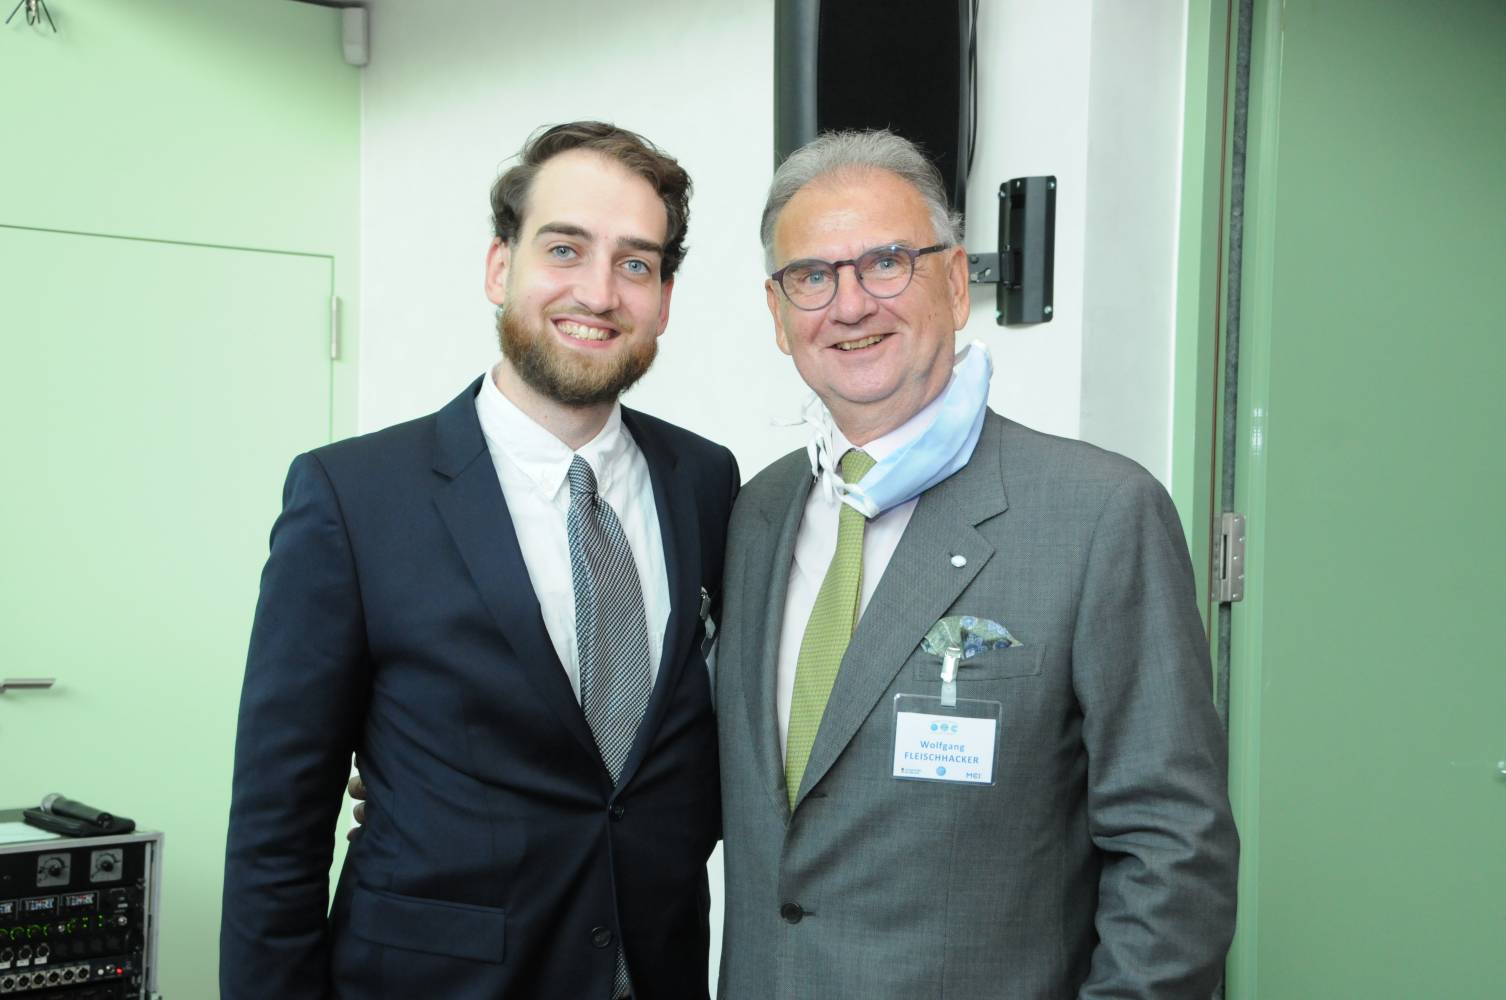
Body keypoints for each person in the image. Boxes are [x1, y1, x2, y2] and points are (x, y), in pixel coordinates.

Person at [714, 130, 1238, 999]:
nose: (849, 306)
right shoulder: (756, 514)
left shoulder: (1099, 513)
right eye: (812, 276)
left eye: (886, 263)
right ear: (779, 315)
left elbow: (1174, 850)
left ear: (955, 283)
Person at [221, 121, 737, 1000]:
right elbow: (280, 822)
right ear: (500, 268)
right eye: (565, 248)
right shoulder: (352, 498)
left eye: (636, 263)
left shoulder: (707, 482)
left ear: (665, 297)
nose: (600, 292)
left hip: (658, 972)